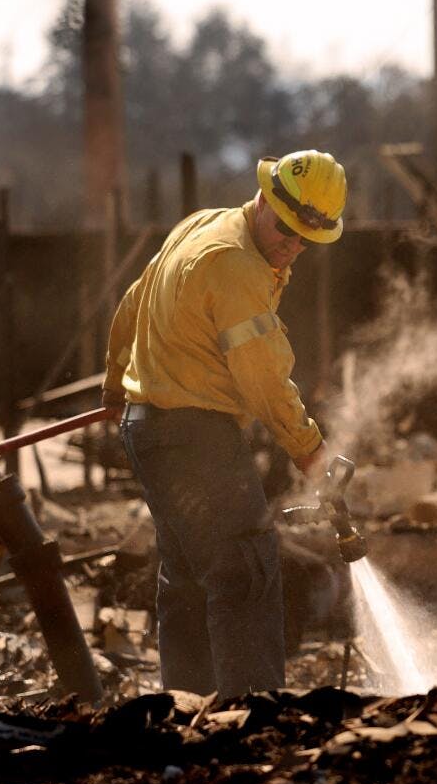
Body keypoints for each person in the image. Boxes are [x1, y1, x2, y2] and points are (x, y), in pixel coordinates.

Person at [101, 150, 347, 698]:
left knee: (189, 576)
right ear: (264, 199)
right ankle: (255, 716)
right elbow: (262, 379)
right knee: (247, 567)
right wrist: (309, 451)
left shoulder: (202, 223)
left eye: (306, 238)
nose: (291, 245)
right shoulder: (236, 267)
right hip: (194, 437)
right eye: (286, 228)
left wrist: (116, 384)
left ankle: (189, 708)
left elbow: (134, 303)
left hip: (150, 429)